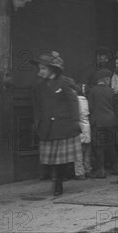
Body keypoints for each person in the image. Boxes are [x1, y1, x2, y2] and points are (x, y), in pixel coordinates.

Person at [31, 51, 81, 196]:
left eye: (44, 69)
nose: (41, 72)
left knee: (60, 158)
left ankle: (58, 182)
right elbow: (37, 105)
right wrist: (37, 121)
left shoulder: (64, 82)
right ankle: (55, 178)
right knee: (51, 157)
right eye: (40, 69)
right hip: (47, 125)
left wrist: (75, 120)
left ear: (52, 69)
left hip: (63, 125)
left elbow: (73, 102)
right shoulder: (39, 85)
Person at [88, 68, 118, 178]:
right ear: (106, 80)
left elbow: (90, 107)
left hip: (98, 122)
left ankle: (101, 170)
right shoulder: (111, 91)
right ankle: (116, 167)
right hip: (111, 121)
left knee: (99, 147)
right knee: (111, 145)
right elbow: (115, 106)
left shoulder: (93, 91)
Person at [74, 88, 92, 180]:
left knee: (78, 153)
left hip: (79, 129)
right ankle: (88, 169)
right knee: (87, 152)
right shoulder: (85, 100)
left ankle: (80, 173)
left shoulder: (74, 101)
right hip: (87, 128)